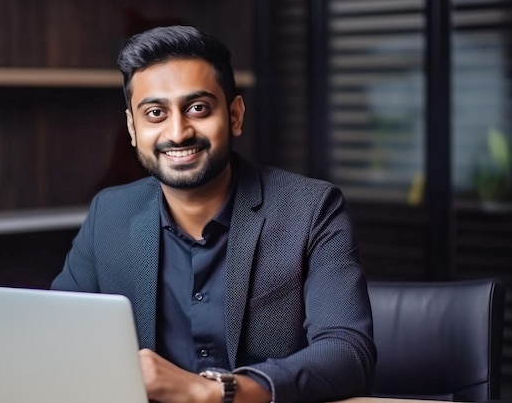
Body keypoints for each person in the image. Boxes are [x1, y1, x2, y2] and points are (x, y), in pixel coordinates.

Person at [51, 25, 376, 403]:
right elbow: (62, 337)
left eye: (198, 108)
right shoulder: (109, 212)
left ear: (235, 115)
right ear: (133, 128)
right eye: (155, 113)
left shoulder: (312, 208)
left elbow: (348, 352)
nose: (178, 132)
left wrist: (212, 392)